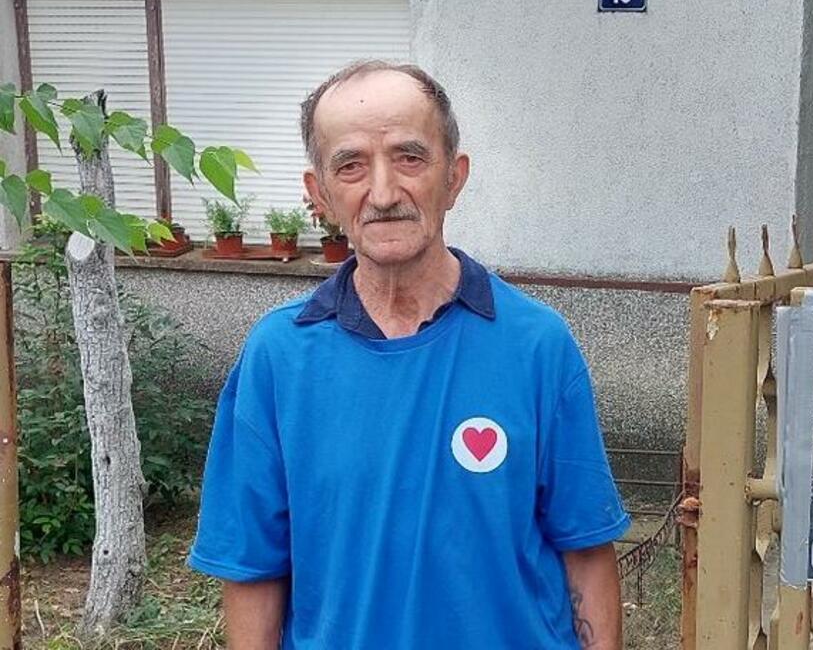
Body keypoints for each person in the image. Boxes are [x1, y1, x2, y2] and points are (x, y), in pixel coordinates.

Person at [188, 60, 630, 648]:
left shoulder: (537, 346)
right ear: (319, 194)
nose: (383, 193)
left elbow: (585, 553)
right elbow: (252, 570)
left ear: (454, 177)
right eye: (350, 165)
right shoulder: (278, 358)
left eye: (410, 158)